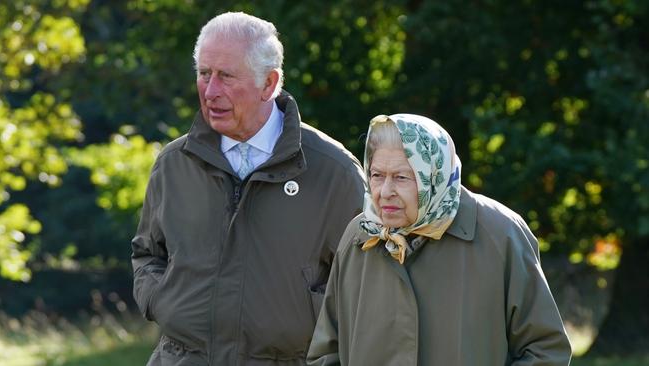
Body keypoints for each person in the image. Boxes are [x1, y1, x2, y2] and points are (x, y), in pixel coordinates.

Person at [131, 12, 365, 366]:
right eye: (204, 74)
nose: (210, 92)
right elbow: (147, 253)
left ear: (269, 84)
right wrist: (162, 301)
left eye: (225, 76)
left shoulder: (335, 173)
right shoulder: (174, 163)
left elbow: (365, 283)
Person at [307, 114, 572, 365]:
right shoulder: (359, 236)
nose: (385, 192)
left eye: (401, 177)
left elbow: (545, 350)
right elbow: (326, 353)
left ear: (434, 176)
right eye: (377, 175)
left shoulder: (500, 234)